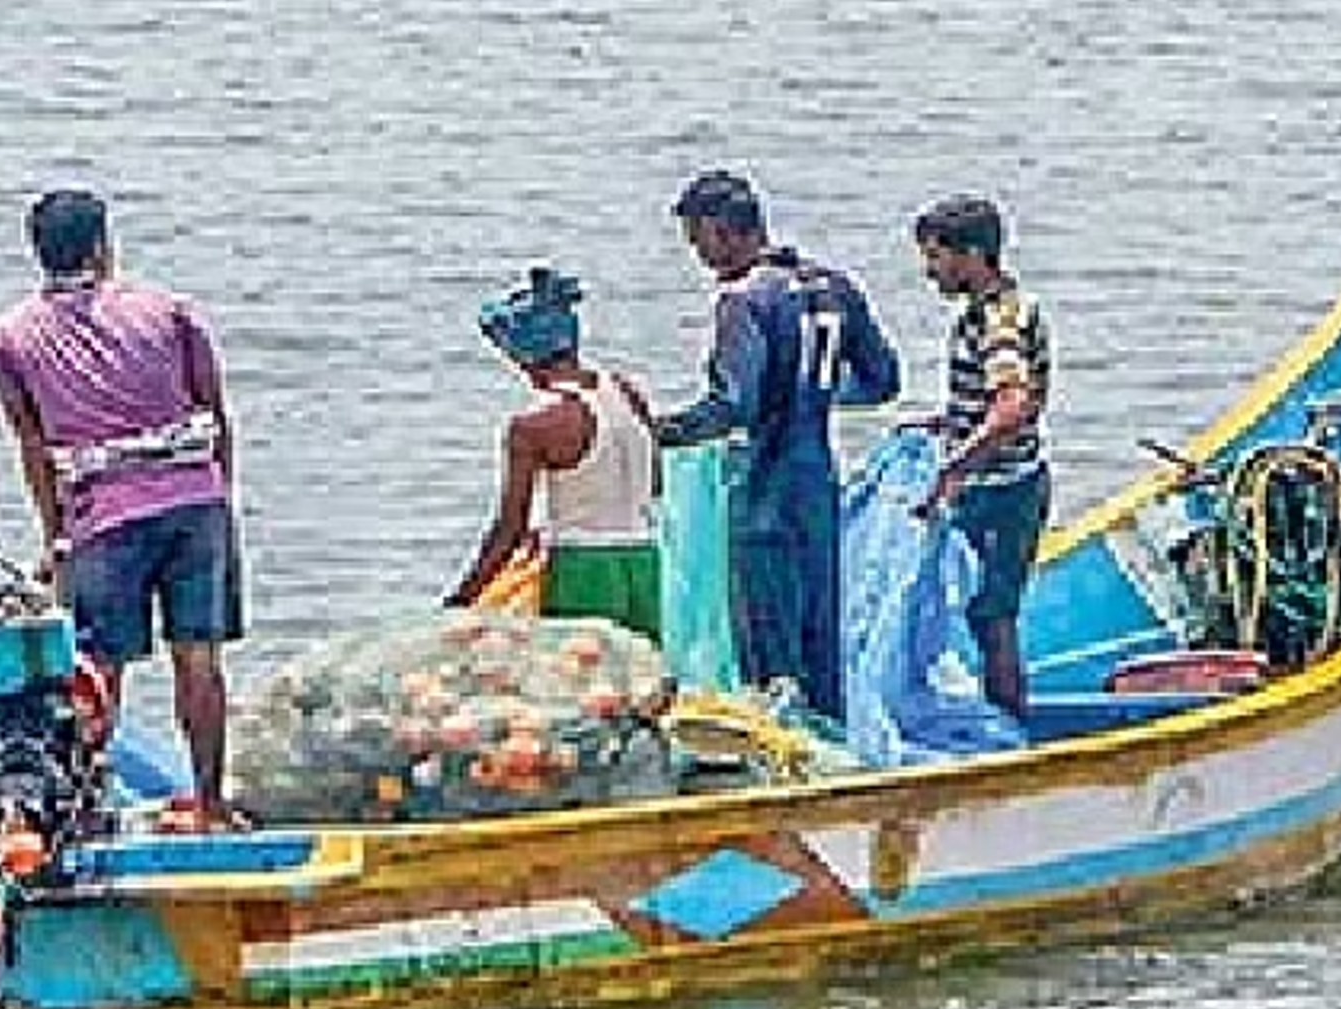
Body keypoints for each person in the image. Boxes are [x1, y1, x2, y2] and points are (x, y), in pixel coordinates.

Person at [0, 190, 244, 822]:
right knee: (199, 658)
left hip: (103, 514)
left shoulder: (13, 338)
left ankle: (81, 812)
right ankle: (211, 803)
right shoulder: (168, 311)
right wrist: (220, 498)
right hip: (194, 500)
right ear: (104, 247)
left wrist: (57, 537)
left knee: (99, 669)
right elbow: (215, 413)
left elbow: (35, 448)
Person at [653, 169, 900, 720]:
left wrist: (660, 431)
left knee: (769, 635)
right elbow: (883, 380)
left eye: (700, 242)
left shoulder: (742, 301)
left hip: (765, 480)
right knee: (821, 626)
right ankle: (833, 736)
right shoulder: (833, 286)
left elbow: (732, 404)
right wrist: (812, 395)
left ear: (722, 230)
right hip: (817, 476)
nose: (702, 258)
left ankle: (786, 752)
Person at [440, 269, 662, 636]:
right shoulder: (625, 391)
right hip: (645, 563)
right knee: (644, 681)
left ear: (521, 355)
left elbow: (508, 531)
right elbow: (654, 484)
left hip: (582, 569)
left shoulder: (533, 425)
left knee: (584, 684)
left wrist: (462, 598)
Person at [910, 196, 1053, 719]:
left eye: (936, 257)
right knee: (985, 615)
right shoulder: (1001, 308)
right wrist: (947, 424)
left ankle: (1010, 726)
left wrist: (955, 467)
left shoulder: (997, 322)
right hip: (1005, 482)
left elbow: (1012, 405)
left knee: (993, 619)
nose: (930, 272)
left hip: (1005, 490)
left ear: (972, 255)